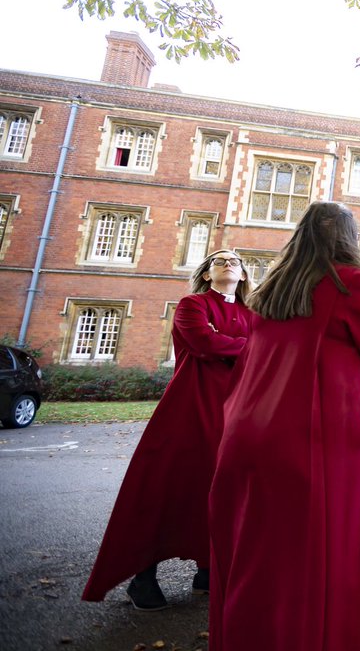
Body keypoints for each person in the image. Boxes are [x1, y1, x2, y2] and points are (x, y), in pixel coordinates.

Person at [207, 202, 360, 650]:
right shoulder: (352, 281)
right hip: (313, 435)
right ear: (346, 237)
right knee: (315, 557)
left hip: (248, 428)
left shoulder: (274, 284)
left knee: (261, 555)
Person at [83, 250, 251, 610]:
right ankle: (142, 577)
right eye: (219, 261)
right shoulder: (193, 305)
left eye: (234, 261)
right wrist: (246, 347)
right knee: (166, 486)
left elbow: (259, 350)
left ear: (243, 274)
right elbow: (205, 343)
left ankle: (207, 572)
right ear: (206, 275)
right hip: (189, 406)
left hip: (235, 411)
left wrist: (237, 347)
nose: (227, 264)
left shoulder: (252, 313)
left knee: (220, 487)